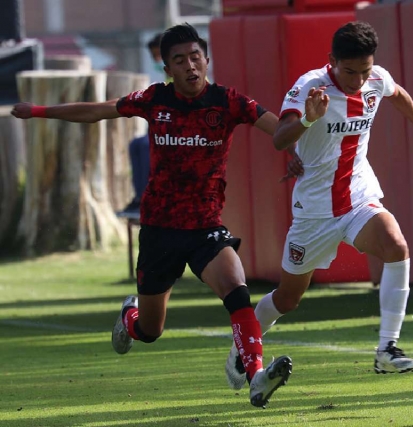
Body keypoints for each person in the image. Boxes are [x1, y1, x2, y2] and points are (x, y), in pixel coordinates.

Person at [12, 23, 292, 409]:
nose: (190, 66)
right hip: (160, 230)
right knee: (150, 329)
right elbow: (99, 111)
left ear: (206, 60)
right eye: (180, 60)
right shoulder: (154, 99)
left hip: (205, 226)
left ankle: (256, 376)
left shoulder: (229, 102)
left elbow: (278, 131)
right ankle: (130, 317)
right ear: (167, 69)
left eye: (196, 57)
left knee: (237, 288)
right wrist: (41, 111)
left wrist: (300, 144)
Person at [225, 20, 413, 390]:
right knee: (288, 299)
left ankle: (387, 349)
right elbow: (279, 139)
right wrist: (309, 118)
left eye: (365, 71)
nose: (358, 80)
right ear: (332, 61)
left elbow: (398, 94)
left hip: (358, 197)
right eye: (349, 71)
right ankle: (241, 349)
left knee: (396, 246)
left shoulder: (376, 79)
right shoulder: (310, 86)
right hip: (314, 213)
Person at [118, 33, 166, 217]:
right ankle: (140, 197)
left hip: (182, 133)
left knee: (146, 145)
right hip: (162, 129)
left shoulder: (187, 76)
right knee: (136, 144)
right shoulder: (164, 79)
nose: (156, 60)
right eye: (153, 56)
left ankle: (150, 197)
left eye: (158, 54)